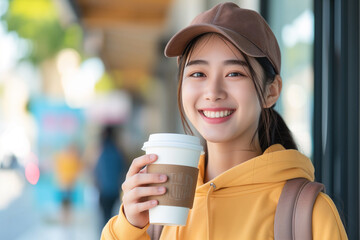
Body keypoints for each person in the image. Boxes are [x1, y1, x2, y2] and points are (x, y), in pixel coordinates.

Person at [101, 2, 348, 239]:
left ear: (271, 91)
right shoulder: (159, 212)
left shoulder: (308, 213)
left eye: (234, 73)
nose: (213, 91)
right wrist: (129, 227)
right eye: (198, 73)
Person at [94, 125, 127, 227]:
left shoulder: (101, 151)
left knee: (104, 219)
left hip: (104, 191)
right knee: (114, 218)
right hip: (114, 191)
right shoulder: (118, 152)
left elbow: (96, 171)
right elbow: (123, 170)